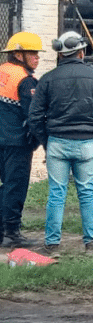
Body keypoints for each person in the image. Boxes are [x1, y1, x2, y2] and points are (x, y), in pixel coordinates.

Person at [28, 31, 93, 255]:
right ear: (81, 52)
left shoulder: (48, 79)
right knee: (87, 192)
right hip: (85, 143)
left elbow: (35, 116)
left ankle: (52, 245)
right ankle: (92, 244)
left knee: (56, 193)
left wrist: (47, 141)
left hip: (57, 142)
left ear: (61, 55)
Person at [0, 32, 42, 248]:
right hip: (17, 143)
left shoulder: (1, 72)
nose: (37, 57)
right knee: (15, 187)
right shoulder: (26, 81)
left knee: (4, 186)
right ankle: (11, 233)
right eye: (32, 53)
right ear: (18, 54)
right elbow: (32, 116)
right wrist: (37, 140)